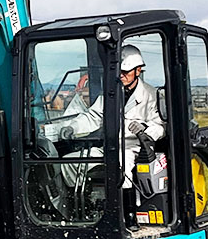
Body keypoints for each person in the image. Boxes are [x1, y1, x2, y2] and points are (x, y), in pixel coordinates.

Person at [59, 45, 165, 189]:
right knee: (69, 162)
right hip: (109, 146)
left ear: (138, 70)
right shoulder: (110, 93)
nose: (121, 75)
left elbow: (161, 127)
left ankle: (125, 206)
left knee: (121, 169)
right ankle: (80, 203)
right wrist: (73, 127)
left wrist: (144, 128)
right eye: (119, 71)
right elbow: (93, 116)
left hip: (134, 148)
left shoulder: (152, 95)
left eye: (126, 71)